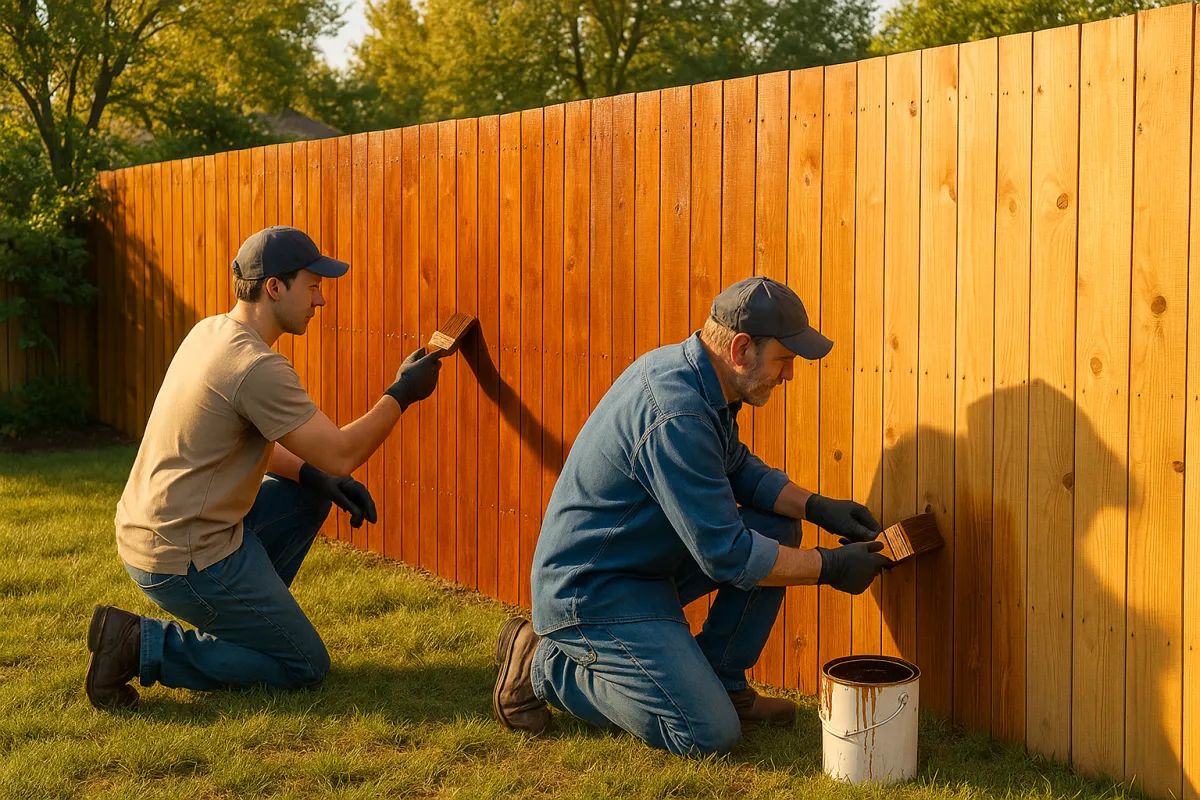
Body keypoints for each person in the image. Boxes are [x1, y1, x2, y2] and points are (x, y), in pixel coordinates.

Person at [493, 276, 893, 756]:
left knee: (779, 528)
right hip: (591, 591)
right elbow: (728, 556)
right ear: (742, 348)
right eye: (785, 360)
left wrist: (816, 507)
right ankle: (543, 665)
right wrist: (831, 567)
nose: (789, 374)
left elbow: (736, 465)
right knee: (706, 734)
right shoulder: (676, 413)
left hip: (642, 566)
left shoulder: (697, 376)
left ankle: (722, 681)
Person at [85, 226, 445, 710]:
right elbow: (339, 452)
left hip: (160, 530)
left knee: (311, 487)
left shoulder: (211, 331)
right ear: (274, 287)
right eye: (312, 286)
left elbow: (249, 446)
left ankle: (251, 618)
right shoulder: (255, 366)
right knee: (304, 665)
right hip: (182, 555)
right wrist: (402, 393)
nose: (320, 300)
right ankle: (140, 645)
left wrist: (318, 478)